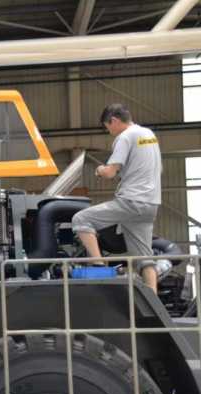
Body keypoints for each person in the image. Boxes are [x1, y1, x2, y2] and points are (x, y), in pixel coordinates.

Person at [72, 103, 162, 294]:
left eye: (108, 127)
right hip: (151, 203)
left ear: (113, 120)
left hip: (131, 200)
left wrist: (99, 170)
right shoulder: (148, 134)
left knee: (81, 219)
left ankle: (98, 266)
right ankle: (154, 303)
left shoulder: (125, 137)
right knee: (145, 259)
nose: (110, 132)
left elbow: (110, 172)